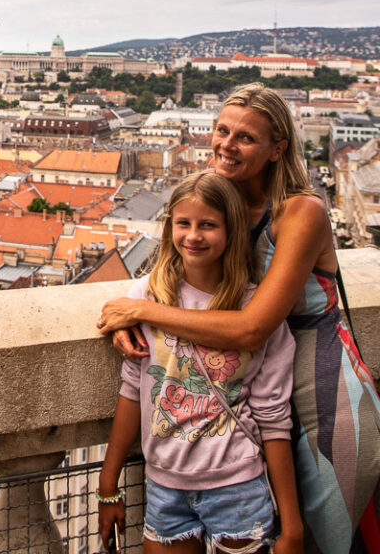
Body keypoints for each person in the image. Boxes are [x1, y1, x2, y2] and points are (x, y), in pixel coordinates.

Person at [97, 83, 380, 554]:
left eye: (245, 137)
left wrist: (143, 311)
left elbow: (252, 327)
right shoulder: (219, 200)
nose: (226, 144)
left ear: (277, 150)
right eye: (222, 130)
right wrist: (127, 313)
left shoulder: (300, 210)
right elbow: (172, 273)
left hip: (321, 385)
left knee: (328, 540)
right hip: (252, 379)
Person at [97, 170, 301, 554]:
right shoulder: (145, 294)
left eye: (208, 225)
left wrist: (291, 525)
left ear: (231, 231)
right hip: (165, 488)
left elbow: (274, 418)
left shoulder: (257, 311)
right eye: (183, 223)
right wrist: (108, 487)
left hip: (237, 486)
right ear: (169, 226)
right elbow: (132, 392)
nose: (193, 236)